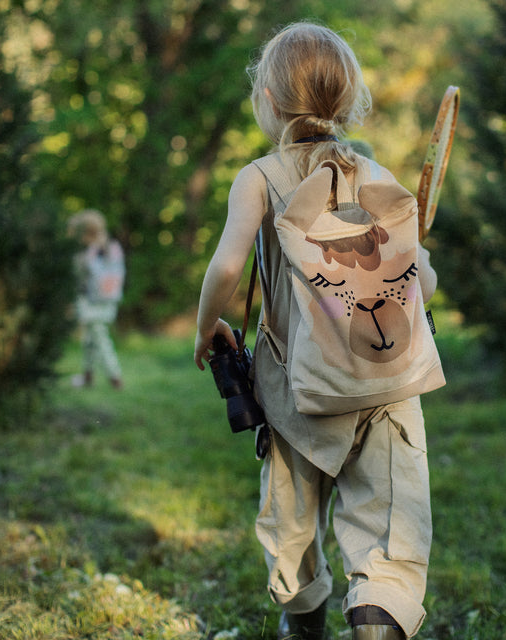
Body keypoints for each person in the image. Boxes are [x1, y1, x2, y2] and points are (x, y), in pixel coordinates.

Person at [194, 22, 444, 640]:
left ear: (271, 102)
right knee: (386, 526)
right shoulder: (373, 169)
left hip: (297, 396)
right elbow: (425, 285)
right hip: (385, 388)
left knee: (292, 522)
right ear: (349, 99)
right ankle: (378, 618)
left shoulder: (259, 176)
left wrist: (207, 328)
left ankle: (302, 622)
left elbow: (228, 266)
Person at [68, 209, 125, 390]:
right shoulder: (112, 247)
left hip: (92, 302)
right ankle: (88, 376)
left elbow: (79, 275)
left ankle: (115, 377)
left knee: (100, 339)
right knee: (90, 340)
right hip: (109, 300)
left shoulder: (88, 253)